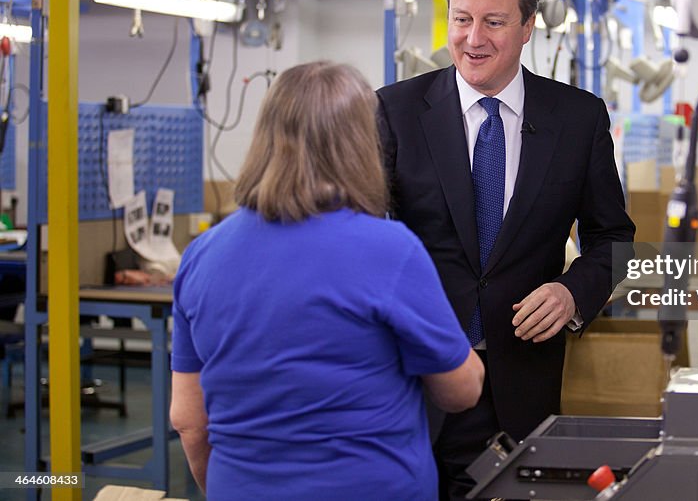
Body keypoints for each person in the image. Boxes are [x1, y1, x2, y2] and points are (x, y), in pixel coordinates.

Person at [376, 0, 635, 499]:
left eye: (493, 22)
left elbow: (613, 237)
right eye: (462, 20)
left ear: (526, 27)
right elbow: (366, 238)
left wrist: (572, 294)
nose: (474, 39)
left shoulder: (577, 117)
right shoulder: (395, 112)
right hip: (415, 377)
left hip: (522, 381)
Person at [170, 61, 483, 500]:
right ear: (361, 145)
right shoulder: (388, 250)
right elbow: (461, 389)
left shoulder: (202, 255)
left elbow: (188, 419)